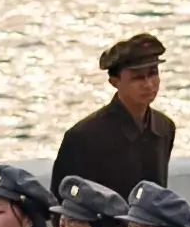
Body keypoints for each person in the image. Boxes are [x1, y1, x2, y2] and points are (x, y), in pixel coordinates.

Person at [50, 31, 174, 196]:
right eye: (137, 78)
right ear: (115, 82)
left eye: (153, 73)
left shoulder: (164, 127)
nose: (148, 84)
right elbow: (63, 200)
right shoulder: (85, 136)